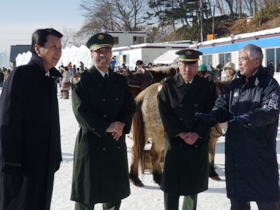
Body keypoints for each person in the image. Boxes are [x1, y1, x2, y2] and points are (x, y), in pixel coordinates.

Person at [195, 44, 280, 210]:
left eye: (243, 59)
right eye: (239, 59)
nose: (238, 63)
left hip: (259, 157)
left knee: (267, 203)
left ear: (256, 62)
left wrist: (250, 117)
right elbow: (222, 104)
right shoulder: (235, 84)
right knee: (238, 203)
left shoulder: (270, 85)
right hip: (236, 157)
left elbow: (270, 110)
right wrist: (214, 115)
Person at [70, 33, 136, 210]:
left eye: (106, 50)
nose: (102, 55)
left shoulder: (120, 81)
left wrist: (121, 123)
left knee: (114, 195)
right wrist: (106, 126)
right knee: (86, 194)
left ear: (111, 54)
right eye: (98, 51)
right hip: (91, 143)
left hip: (115, 142)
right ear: (91, 55)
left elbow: (130, 107)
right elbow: (80, 111)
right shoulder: (82, 81)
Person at [0, 28, 63, 210]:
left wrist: (55, 155)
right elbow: (8, 119)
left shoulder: (48, 78)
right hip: (22, 165)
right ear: (38, 49)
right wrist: (10, 160)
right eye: (53, 46)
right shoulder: (21, 75)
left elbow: (53, 123)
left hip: (43, 163)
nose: (58, 51)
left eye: (60, 47)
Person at [157, 49, 216, 210]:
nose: (188, 70)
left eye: (192, 66)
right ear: (178, 65)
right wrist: (180, 133)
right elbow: (165, 113)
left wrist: (197, 133)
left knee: (192, 186)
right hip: (175, 140)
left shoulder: (207, 87)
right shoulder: (169, 85)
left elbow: (211, 112)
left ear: (197, 66)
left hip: (196, 141)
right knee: (170, 185)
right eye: (184, 65)